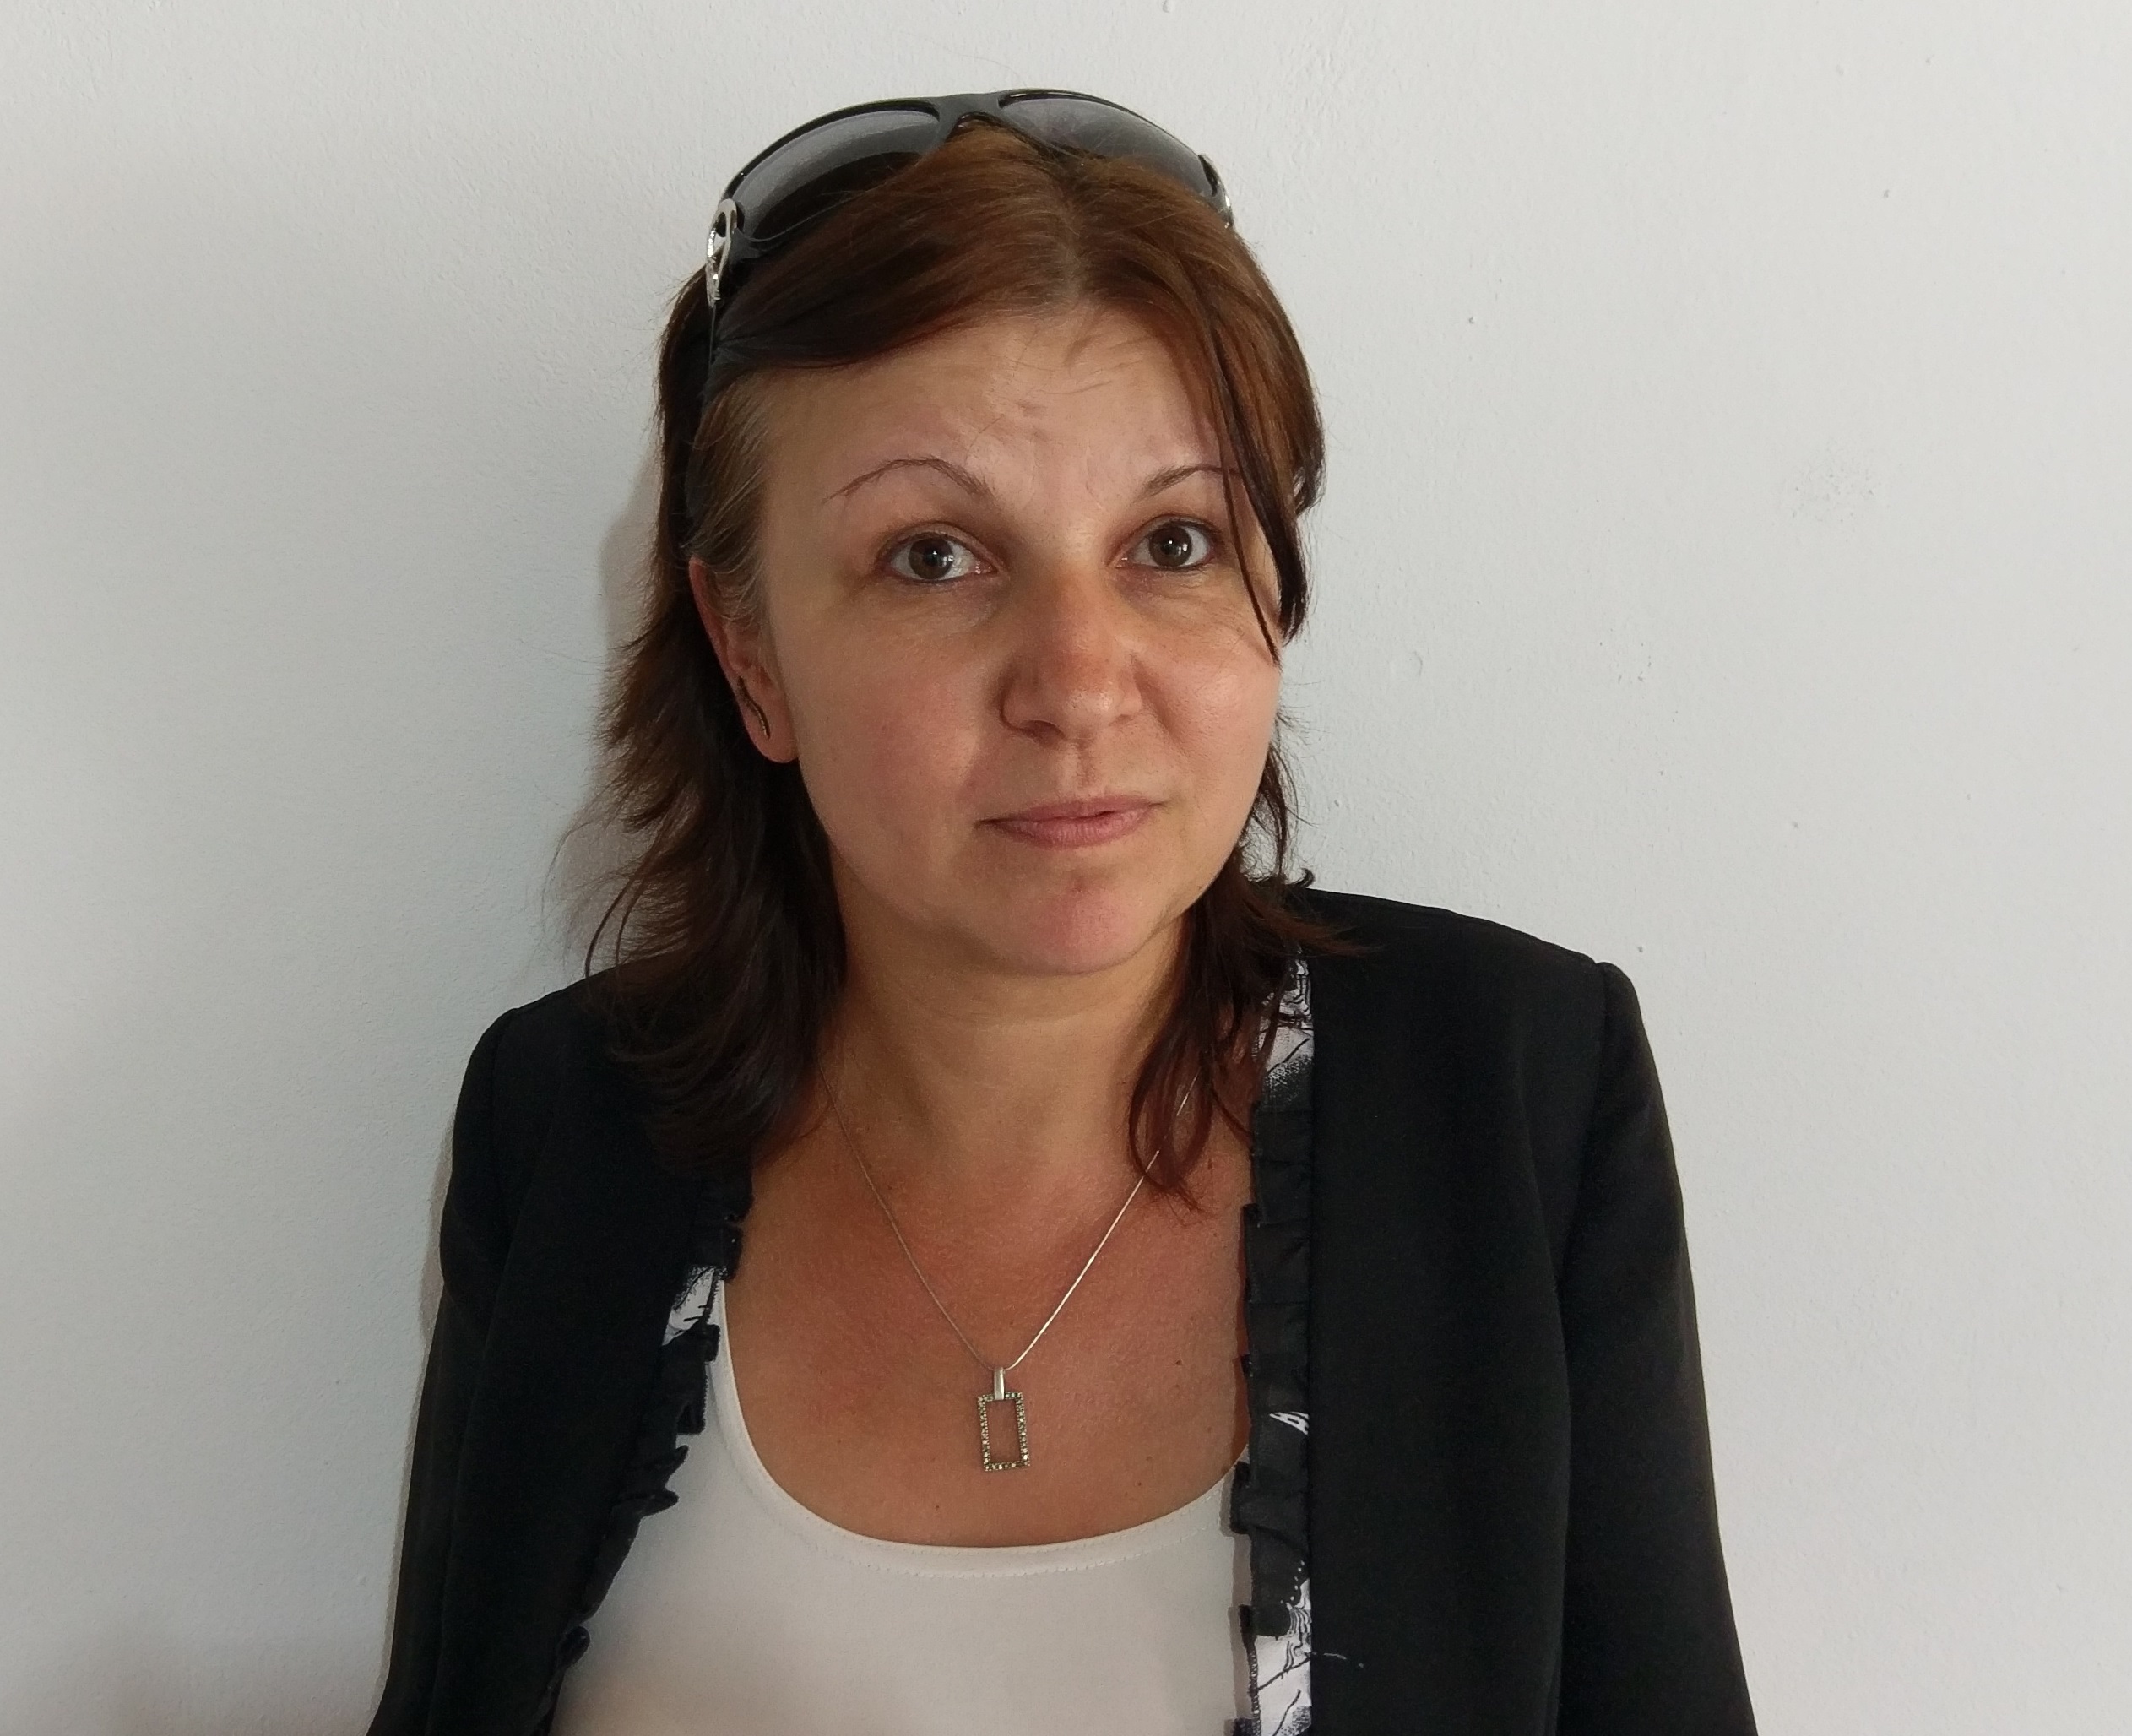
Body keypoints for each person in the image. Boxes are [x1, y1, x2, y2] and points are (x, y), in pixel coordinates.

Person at [367, 91, 1756, 1736]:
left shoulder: (1519, 1092)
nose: (1080, 682)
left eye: (1173, 539)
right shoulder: (561, 1124)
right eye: (933, 557)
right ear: (750, 655)